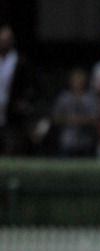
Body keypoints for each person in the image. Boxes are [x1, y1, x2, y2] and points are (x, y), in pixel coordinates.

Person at [0, 25, 36, 155]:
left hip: (12, 113)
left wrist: (23, 101)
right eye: (2, 39)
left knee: (12, 147)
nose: (4, 42)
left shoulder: (20, 61)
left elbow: (30, 86)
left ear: (12, 41)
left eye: (7, 39)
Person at [51, 68, 98, 157]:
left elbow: (96, 118)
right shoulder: (63, 97)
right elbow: (55, 118)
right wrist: (68, 120)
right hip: (66, 140)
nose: (77, 83)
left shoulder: (90, 98)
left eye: (80, 80)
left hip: (86, 141)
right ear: (70, 81)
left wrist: (81, 120)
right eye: (75, 80)